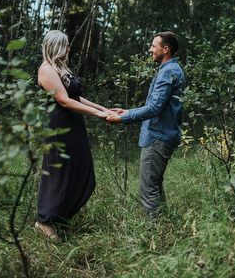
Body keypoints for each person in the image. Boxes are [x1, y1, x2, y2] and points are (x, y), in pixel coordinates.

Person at [35, 30, 111, 239]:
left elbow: (77, 97)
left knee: (79, 169)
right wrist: (97, 113)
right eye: (66, 45)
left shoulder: (61, 68)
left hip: (74, 124)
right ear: (56, 46)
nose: (69, 49)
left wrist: (103, 109)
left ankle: (65, 216)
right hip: (59, 127)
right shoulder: (46, 70)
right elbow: (64, 101)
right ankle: (45, 221)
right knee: (59, 172)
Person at [107, 31, 185, 219]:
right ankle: (164, 229)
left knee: (148, 189)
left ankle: (156, 236)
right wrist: (126, 111)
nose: (150, 49)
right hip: (163, 135)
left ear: (165, 49)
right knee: (155, 186)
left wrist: (123, 119)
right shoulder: (171, 70)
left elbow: (154, 108)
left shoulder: (168, 72)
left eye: (153, 46)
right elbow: (156, 105)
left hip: (157, 137)